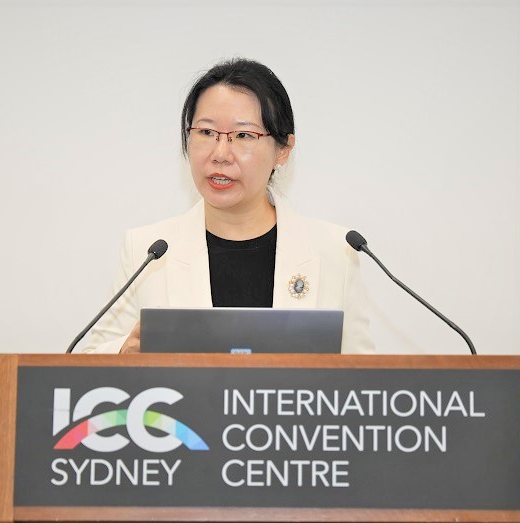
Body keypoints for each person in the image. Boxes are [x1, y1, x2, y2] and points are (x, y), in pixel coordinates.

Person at [82, 58, 374, 354]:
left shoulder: (336, 251)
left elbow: (364, 374)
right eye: (206, 132)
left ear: (283, 150)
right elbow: (88, 361)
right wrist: (123, 353)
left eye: (243, 135)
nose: (220, 154)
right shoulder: (147, 251)